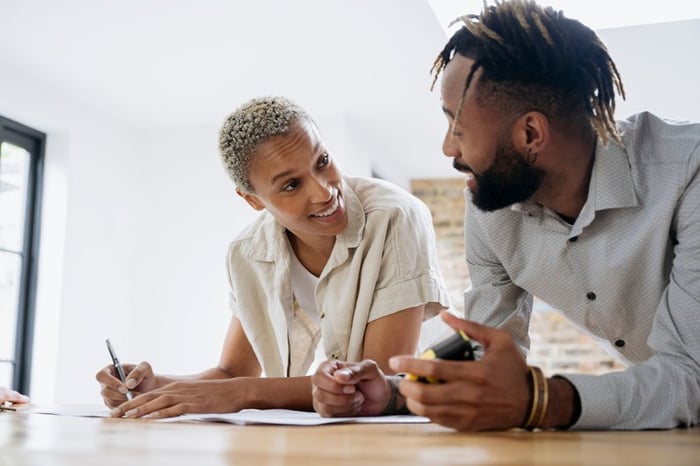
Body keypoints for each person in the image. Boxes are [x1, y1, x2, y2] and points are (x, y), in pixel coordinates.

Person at [311, 0, 700, 431]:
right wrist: (397, 392)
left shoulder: (688, 175)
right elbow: (486, 354)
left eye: (457, 130)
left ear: (530, 133)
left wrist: (542, 401)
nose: (448, 149)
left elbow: (690, 374)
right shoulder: (492, 211)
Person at [96, 96, 450, 419]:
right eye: (292, 185)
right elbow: (232, 372)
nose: (324, 191)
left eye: (322, 161)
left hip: (425, 412)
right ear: (252, 200)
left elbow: (373, 380)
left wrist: (241, 393)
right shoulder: (247, 252)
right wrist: (156, 387)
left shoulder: (395, 216)